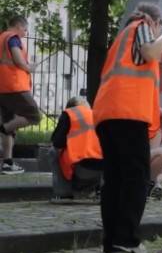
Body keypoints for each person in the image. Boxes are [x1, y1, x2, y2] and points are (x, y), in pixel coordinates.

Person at [93, 2, 162, 253]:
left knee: (116, 180)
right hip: (127, 117)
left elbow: (130, 82)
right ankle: (126, 239)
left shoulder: (122, 39)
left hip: (109, 114)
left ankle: (113, 241)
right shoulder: (141, 27)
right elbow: (151, 52)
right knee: (136, 178)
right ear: (154, 21)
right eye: (158, 25)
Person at [0, 15, 41, 174]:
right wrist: (29, 67)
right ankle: (2, 129)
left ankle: (7, 163)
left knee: (10, 123)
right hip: (14, 86)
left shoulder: (1, 38)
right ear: (17, 26)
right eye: (24, 29)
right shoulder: (13, 38)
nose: (25, 32)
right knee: (34, 116)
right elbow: (17, 60)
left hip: (2, 88)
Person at [50, 96, 103, 201]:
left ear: (70, 107)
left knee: (53, 151)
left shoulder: (69, 114)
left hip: (81, 171)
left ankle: (63, 194)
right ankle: (99, 191)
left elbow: (57, 143)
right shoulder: (97, 115)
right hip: (105, 171)